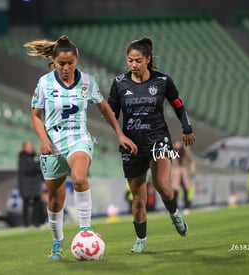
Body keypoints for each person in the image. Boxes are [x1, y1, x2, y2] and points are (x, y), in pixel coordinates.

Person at [25, 35, 137, 260]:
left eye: (70, 63)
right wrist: (44, 140)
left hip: (79, 139)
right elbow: (35, 116)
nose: (66, 68)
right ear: (54, 62)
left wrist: (120, 133)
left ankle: (85, 230)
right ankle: (57, 243)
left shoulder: (87, 81)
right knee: (55, 201)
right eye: (61, 64)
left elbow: (104, 108)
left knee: (78, 177)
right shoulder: (44, 83)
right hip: (53, 144)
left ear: (76, 61)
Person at [107, 37, 196, 253]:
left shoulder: (163, 81)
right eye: (129, 60)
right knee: (138, 200)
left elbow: (178, 105)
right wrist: (120, 135)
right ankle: (141, 240)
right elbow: (110, 114)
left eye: (138, 60)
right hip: (132, 145)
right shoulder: (119, 83)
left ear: (148, 59)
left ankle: (174, 214)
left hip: (157, 140)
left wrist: (187, 128)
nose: (133, 65)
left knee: (162, 186)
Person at [18, 140, 44, 228]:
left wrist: (35, 166)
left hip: (36, 183)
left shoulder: (36, 156)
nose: (30, 148)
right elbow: (27, 169)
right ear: (24, 148)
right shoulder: (22, 157)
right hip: (26, 184)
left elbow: (41, 167)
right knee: (26, 203)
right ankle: (26, 224)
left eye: (31, 146)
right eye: (28, 146)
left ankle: (37, 223)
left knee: (37, 203)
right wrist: (36, 166)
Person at [172, 140, 196, 214]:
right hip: (175, 173)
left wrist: (192, 170)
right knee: (174, 191)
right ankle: (174, 208)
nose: (177, 145)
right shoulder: (171, 151)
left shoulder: (185, 150)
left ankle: (187, 206)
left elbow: (191, 160)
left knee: (186, 190)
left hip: (184, 172)